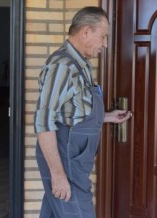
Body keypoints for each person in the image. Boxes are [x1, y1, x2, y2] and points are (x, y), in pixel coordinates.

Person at [34, 6, 132, 218]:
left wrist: (107, 116)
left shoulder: (80, 64)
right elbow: (43, 122)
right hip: (66, 160)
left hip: (74, 160)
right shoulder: (63, 66)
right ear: (86, 32)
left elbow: (72, 112)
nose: (105, 44)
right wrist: (58, 175)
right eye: (103, 37)